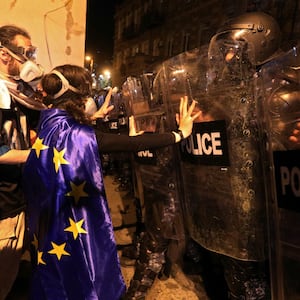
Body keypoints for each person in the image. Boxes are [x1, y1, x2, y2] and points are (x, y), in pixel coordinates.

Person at [21, 64, 200, 299]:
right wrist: (179, 133)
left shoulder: (49, 123)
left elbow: (82, 134)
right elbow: (123, 144)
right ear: (81, 96)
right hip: (72, 224)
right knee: (83, 271)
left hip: (50, 222)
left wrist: (95, 118)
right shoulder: (78, 135)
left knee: (57, 274)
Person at [0, 24, 45, 300]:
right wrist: (42, 155)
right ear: (4, 54)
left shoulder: (17, 91)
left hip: (19, 198)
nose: (31, 60)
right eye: (26, 52)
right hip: (4, 206)